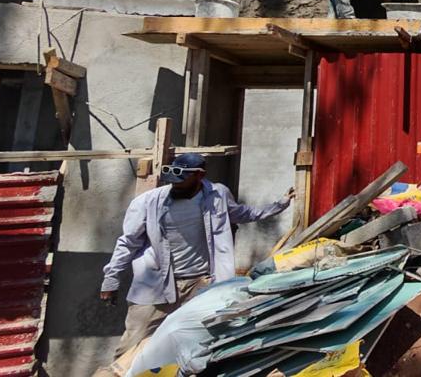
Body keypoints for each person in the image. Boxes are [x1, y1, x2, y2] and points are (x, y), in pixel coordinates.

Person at [99, 153, 293, 359]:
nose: (176, 187)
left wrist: (279, 205)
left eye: (181, 183)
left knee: (198, 347)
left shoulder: (217, 195)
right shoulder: (148, 202)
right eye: (173, 183)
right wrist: (111, 280)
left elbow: (242, 213)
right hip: (155, 286)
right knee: (131, 345)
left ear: (199, 176)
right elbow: (127, 242)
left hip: (198, 285)